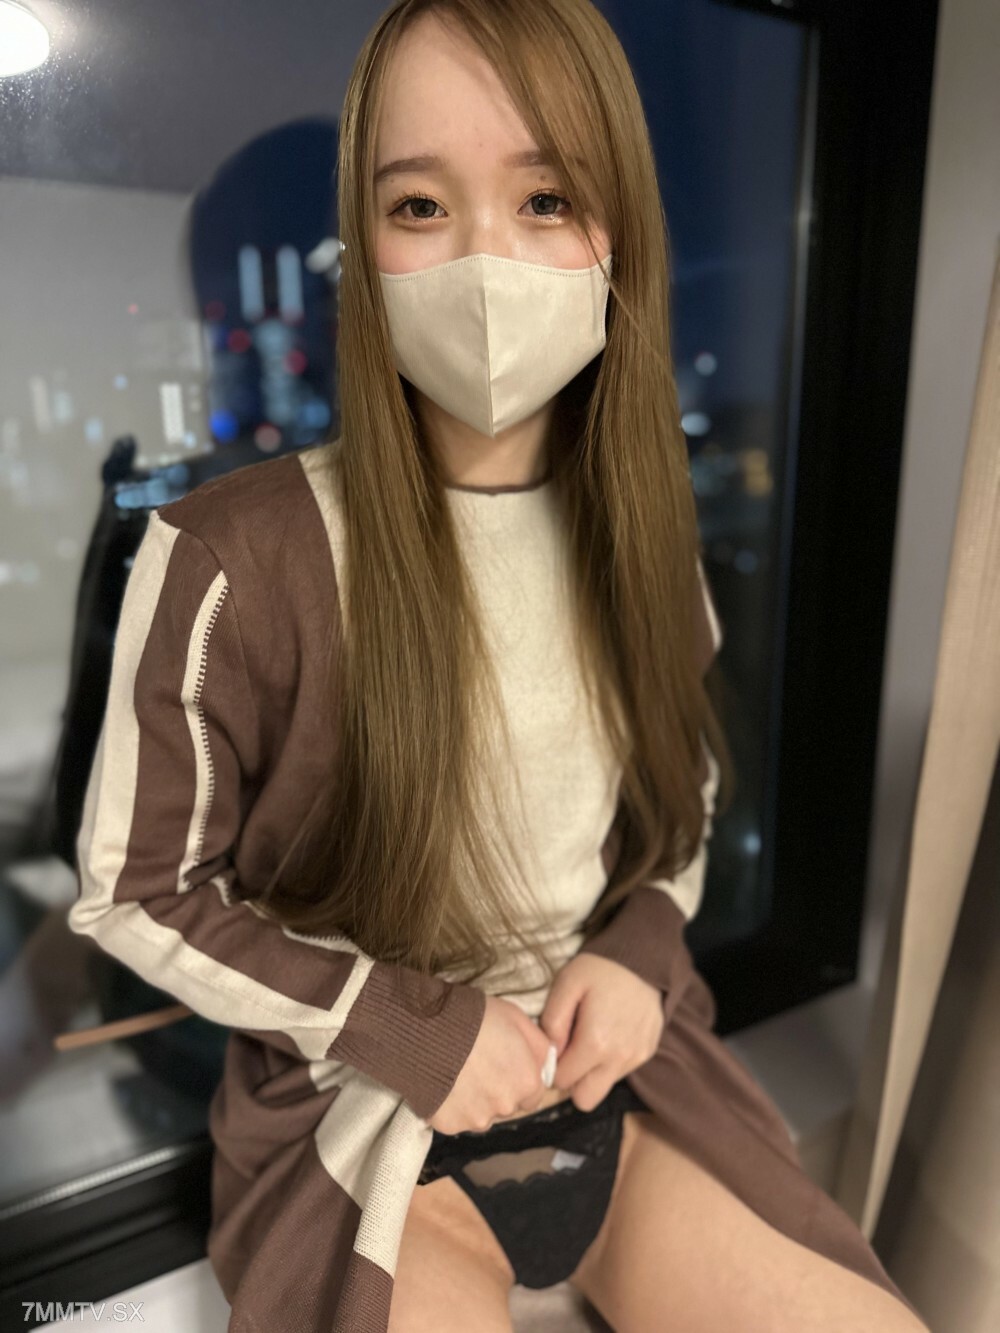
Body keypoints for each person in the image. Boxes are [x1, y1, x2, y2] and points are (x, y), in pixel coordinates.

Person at [68, 1, 931, 1330]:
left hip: (617, 1084)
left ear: (615, 233)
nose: (484, 258)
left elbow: (685, 793)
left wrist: (642, 949)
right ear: (362, 245)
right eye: (419, 207)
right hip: (362, 1124)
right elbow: (134, 891)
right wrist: (405, 1026)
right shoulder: (234, 555)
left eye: (545, 199)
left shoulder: (645, 536)